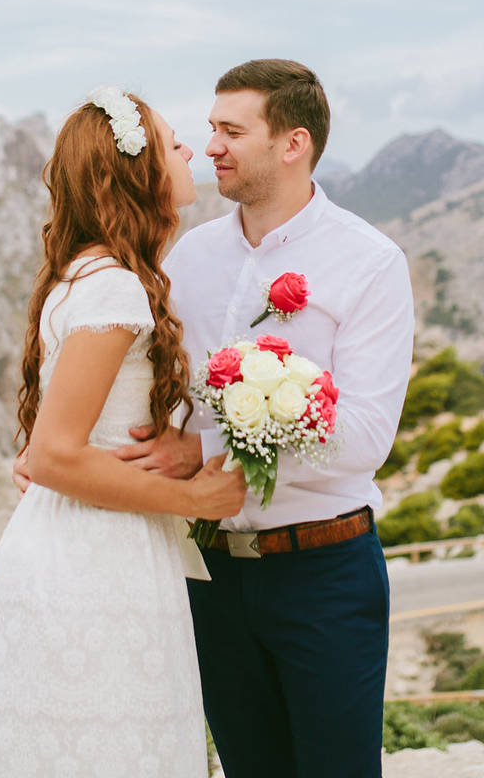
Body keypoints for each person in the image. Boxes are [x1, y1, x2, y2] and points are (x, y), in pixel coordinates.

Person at [116, 59, 416, 778]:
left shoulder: (369, 263)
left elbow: (367, 440)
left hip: (323, 572)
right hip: (213, 575)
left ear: (293, 143)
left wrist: (217, 437)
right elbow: (172, 396)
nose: (210, 145)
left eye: (231, 130)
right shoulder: (191, 257)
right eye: (210, 129)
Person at [0, 87, 247, 778]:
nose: (191, 151)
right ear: (137, 171)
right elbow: (54, 454)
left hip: (82, 542)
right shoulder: (114, 286)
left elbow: (44, 447)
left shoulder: (86, 273)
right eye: (174, 142)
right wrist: (197, 501)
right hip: (99, 557)